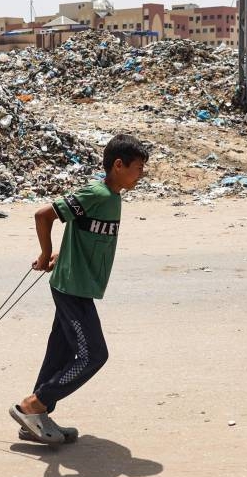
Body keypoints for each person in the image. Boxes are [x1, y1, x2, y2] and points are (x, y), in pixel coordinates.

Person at [11, 134, 149, 443]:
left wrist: (62, 253)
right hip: (72, 288)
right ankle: (33, 405)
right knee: (93, 355)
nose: (141, 174)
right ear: (118, 165)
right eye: (138, 167)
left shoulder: (112, 198)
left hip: (77, 284)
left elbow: (81, 230)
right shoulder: (97, 193)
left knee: (59, 353)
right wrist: (45, 254)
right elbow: (44, 215)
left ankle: (34, 420)